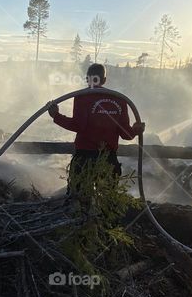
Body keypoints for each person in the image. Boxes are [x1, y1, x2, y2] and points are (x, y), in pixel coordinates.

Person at [47, 63, 145, 201]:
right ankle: (103, 223)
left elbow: (78, 125)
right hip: (108, 160)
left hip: (84, 159)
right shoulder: (119, 100)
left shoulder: (82, 97)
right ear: (104, 80)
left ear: (87, 79)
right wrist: (136, 129)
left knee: (78, 201)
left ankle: (81, 221)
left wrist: (56, 116)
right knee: (107, 202)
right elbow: (126, 134)